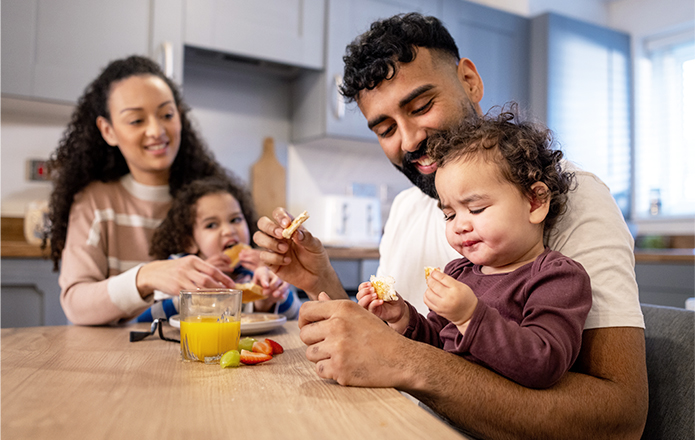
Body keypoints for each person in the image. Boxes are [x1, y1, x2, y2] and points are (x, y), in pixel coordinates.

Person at [254, 13, 648, 439]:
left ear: (470, 81)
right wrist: (321, 281)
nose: (407, 141)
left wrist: (406, 361)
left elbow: (619, 422)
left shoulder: (572, 198)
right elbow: (396, 343)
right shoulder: (407, 207)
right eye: (385, 128)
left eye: (421, 106)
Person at [357, 107, 592, 389]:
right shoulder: (457, 273)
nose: (459, 226)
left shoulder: (557, 277)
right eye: (450, 215)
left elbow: (544, 363)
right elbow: (436, 347)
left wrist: (470, 316)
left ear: (535, 202)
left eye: (476, 209)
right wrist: (404, 318)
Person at [49, 55, 244, 326]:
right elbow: (76, 304)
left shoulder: (211, 200)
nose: (156, 130)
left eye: (167, 114)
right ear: (108, 131)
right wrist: (145, 276)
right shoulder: (95, 202)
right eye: (136, 120)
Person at [143, 177, 300, 320]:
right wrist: (197, 288)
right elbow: (146, 318)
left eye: (235, 219)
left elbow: (296, 315)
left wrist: (268, 297)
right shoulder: (177, 267)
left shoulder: (253, 274)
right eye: (211, 225)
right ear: (189, 241)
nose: (229, 230)